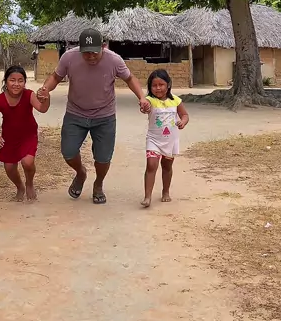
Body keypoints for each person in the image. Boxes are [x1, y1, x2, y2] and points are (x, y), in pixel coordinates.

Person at [36, 28, 151, 204]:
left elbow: (130, 79)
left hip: (104, 115)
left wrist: (142, 97)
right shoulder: (69, 57)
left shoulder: (114, 60)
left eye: (94, 52)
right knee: (68, 152)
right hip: (75, 112)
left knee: (103, 158)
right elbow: (56, 77)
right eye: (86, 52)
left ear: (103, 47)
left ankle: (98, 183)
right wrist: (45, 89)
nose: (90, 56)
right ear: (79, 48)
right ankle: (80, 173)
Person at [0, 65, 50, 202]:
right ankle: (20, 187)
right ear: (6, 82)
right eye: (12, 80)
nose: (16, 84)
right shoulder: (1, 99)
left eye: (20, 80)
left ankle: (29, 183)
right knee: (9, 168)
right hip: (9, 138)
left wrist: (46, 99)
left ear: (25, 82)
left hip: (28, 135)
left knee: (28, 162)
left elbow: (42, 109)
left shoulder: (29, 95)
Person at [141, 69, 189, 208]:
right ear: (150, 87)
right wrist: (144, 107)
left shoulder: (176, 100)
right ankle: (147, 197)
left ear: (168, 85)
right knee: (151, 165)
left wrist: (183, 122)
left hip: (170, 141)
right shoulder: (150, 100)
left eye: (161, 84)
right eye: (154, 85)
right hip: (153, 140)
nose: (158, 88)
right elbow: (145, 108)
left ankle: (165, 191)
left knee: (167, 167)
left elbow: (185, 115)